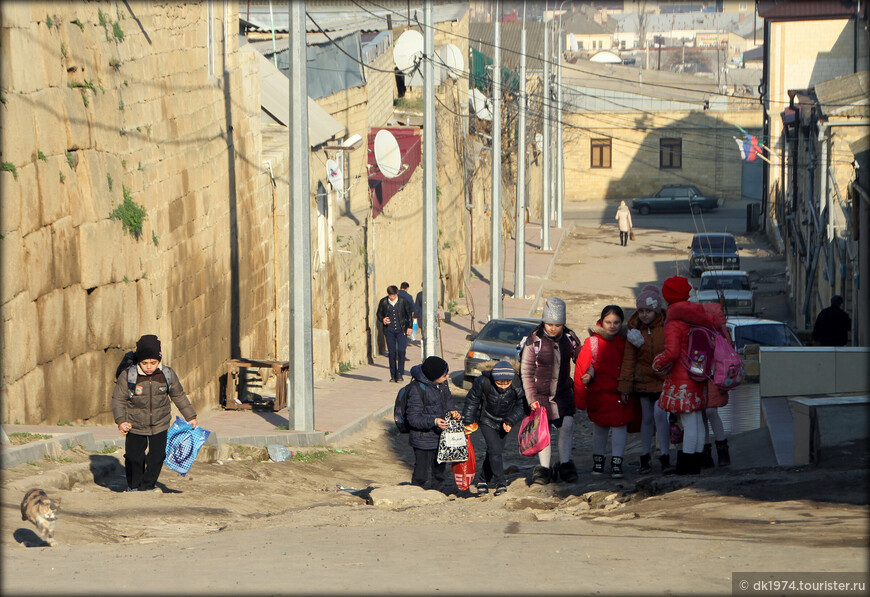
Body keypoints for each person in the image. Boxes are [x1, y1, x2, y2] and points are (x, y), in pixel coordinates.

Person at [112, 334, 197, 492]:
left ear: (159, 360)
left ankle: (147, 486)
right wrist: (120, 420)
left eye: (153, 362)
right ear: (139, 361)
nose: (149, 366)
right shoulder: (129, 375)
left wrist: (190, 416)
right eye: (145, 363)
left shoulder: (167, 375)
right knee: (133, 458)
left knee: (157, 458)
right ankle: (134, 486)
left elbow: (178, 395)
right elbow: (118, 399)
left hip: (160, 423)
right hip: (134, 424)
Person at [652, 276, 715, 476]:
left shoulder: (674, 321)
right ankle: (695, 462)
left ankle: (686, 466)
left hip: (681, 378)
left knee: (688, 422)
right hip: (698, 375)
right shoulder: (696, 316)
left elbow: (671, 353)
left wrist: (657, 363)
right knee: (696, 419)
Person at [520, 297, 581, 485]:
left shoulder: (570, 339)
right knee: (543, 430)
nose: (553, 328)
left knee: (568, 425)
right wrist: (531, 398)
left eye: (557, 324)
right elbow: (526, 371)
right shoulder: (533, 341)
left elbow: (581, 360)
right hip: (540, 394)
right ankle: (544, 469)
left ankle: (564, 463)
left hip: (563, 392)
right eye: (549, 323)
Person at [617, 285, 671, 474]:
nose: (644, 315)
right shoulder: (634, 330)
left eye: (648, 311)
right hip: (643, 382)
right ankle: (645, 455)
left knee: (659, 415)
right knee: (647, 418)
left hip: (664, 380)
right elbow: (628, 360)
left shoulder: (666, 327)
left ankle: (665, 454)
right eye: (641, 311)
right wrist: (625, 386)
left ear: (656, 310)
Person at [575, 305, 633, 478]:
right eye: (608, 322)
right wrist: (586, 379)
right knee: (600, 428)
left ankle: (617, 461)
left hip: (620, 392)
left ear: (622, 322)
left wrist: (627, 387)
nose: (612, 326)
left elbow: (630, 366)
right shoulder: (593, 342)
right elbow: (584, 365)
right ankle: (598, 460)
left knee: (619, 427)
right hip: (599, 393)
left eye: (616, 322)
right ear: (601, 322)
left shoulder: (627, 341)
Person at [461, 361, 526, 496]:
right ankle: (500, 482)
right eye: (499, 383)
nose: (503, 387)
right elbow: (472, 401)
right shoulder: (483, 381)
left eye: (506, 383)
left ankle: (482, 480)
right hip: (487, 419)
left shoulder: (516, 383)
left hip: (505, 422)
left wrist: (511, 420)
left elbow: (521, 405)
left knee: (494, 451)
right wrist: (467, 421)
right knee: (494, 450)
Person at [405, 356, 460, 493]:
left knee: (440, 472)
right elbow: (413, 418)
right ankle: (416, 495)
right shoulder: (417, 389)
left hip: (441, 437)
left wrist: (453, 412)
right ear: (433, 376)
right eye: (444, 374)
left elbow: (449, 403)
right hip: (422, 438)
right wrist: (434, 421)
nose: (447, 377)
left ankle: (438, 494)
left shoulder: (442, 384)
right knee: (421, 473)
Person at [700, 302, 732, 468]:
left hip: (713, 377)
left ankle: (720, 450)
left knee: (709, 411)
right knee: (705, 414)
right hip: (707, 376)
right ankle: (712, 453)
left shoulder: (720, 334)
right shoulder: (722, 333)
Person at [376, 285, 414, 382]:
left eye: (393, 295)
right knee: (392, 353)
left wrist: (409, 327)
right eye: (390, 295)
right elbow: (379, 314)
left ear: (396, 294)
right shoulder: (384, 302)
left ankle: (400, 373)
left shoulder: (403, 301)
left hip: (401, 329)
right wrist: (383, 319)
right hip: (389, 330)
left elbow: (408, 314)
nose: (391, 297)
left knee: (401, 351)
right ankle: (393, 375)